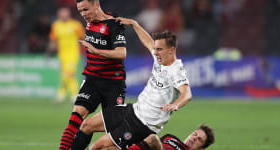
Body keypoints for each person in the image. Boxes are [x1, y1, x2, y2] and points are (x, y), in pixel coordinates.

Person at [71, 17, 192, 150]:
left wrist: (176, 104)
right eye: (155, 49)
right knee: (87, 125)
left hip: (143, 125)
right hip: (133, 110)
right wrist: (135, 24)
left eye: (159, 49)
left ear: (171, 50)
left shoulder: (176, 70)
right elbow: (148, 42)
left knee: (96, 147)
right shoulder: (160, 58)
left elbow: (187, 93)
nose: (155, 52)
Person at [58, 0, 127, 150]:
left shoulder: (113, 23)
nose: (83, 14)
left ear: (96, 4)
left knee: (114, 133)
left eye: (85, 10)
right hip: (92, 80)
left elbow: (121, 53)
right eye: (80, 11)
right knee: (75, 119)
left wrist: (96, 51)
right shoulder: (89, 21)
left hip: (113, 84)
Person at [49, 7, 85, 102]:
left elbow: (83, 37)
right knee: (65, 75)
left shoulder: (75, 25)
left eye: (65, 13)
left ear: (68, 14)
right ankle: (61, 95)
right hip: (62, 55)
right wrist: (50, 50)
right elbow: (53, 39)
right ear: (59, 15)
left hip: (73, 54)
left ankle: (74, 95)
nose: (63, 15)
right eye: (61, 14)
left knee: (69, 74)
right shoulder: (56, 25)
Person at [125, 124, 215, 150]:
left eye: (199, 139)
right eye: (194, 134)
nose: (195, 138)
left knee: (153, 138)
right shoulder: (170, 137)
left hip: (153, 140)